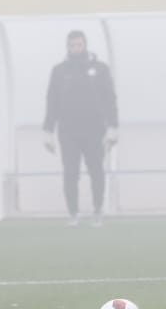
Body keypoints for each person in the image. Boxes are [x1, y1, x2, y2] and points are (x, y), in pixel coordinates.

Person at [42, 30, 119, 226]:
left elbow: (110, 99)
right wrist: (48, 131)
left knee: (96, 171)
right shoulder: (59, 71)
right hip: (68, 131)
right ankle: (73, 214)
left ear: (85, 45)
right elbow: (52, 101)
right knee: (70, 172)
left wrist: (113, 127)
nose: (76, 48)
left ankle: (98, 211)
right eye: (72, 45)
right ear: (68, 47)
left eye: (79, 44)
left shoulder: (100, 69)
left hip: (94, 129)